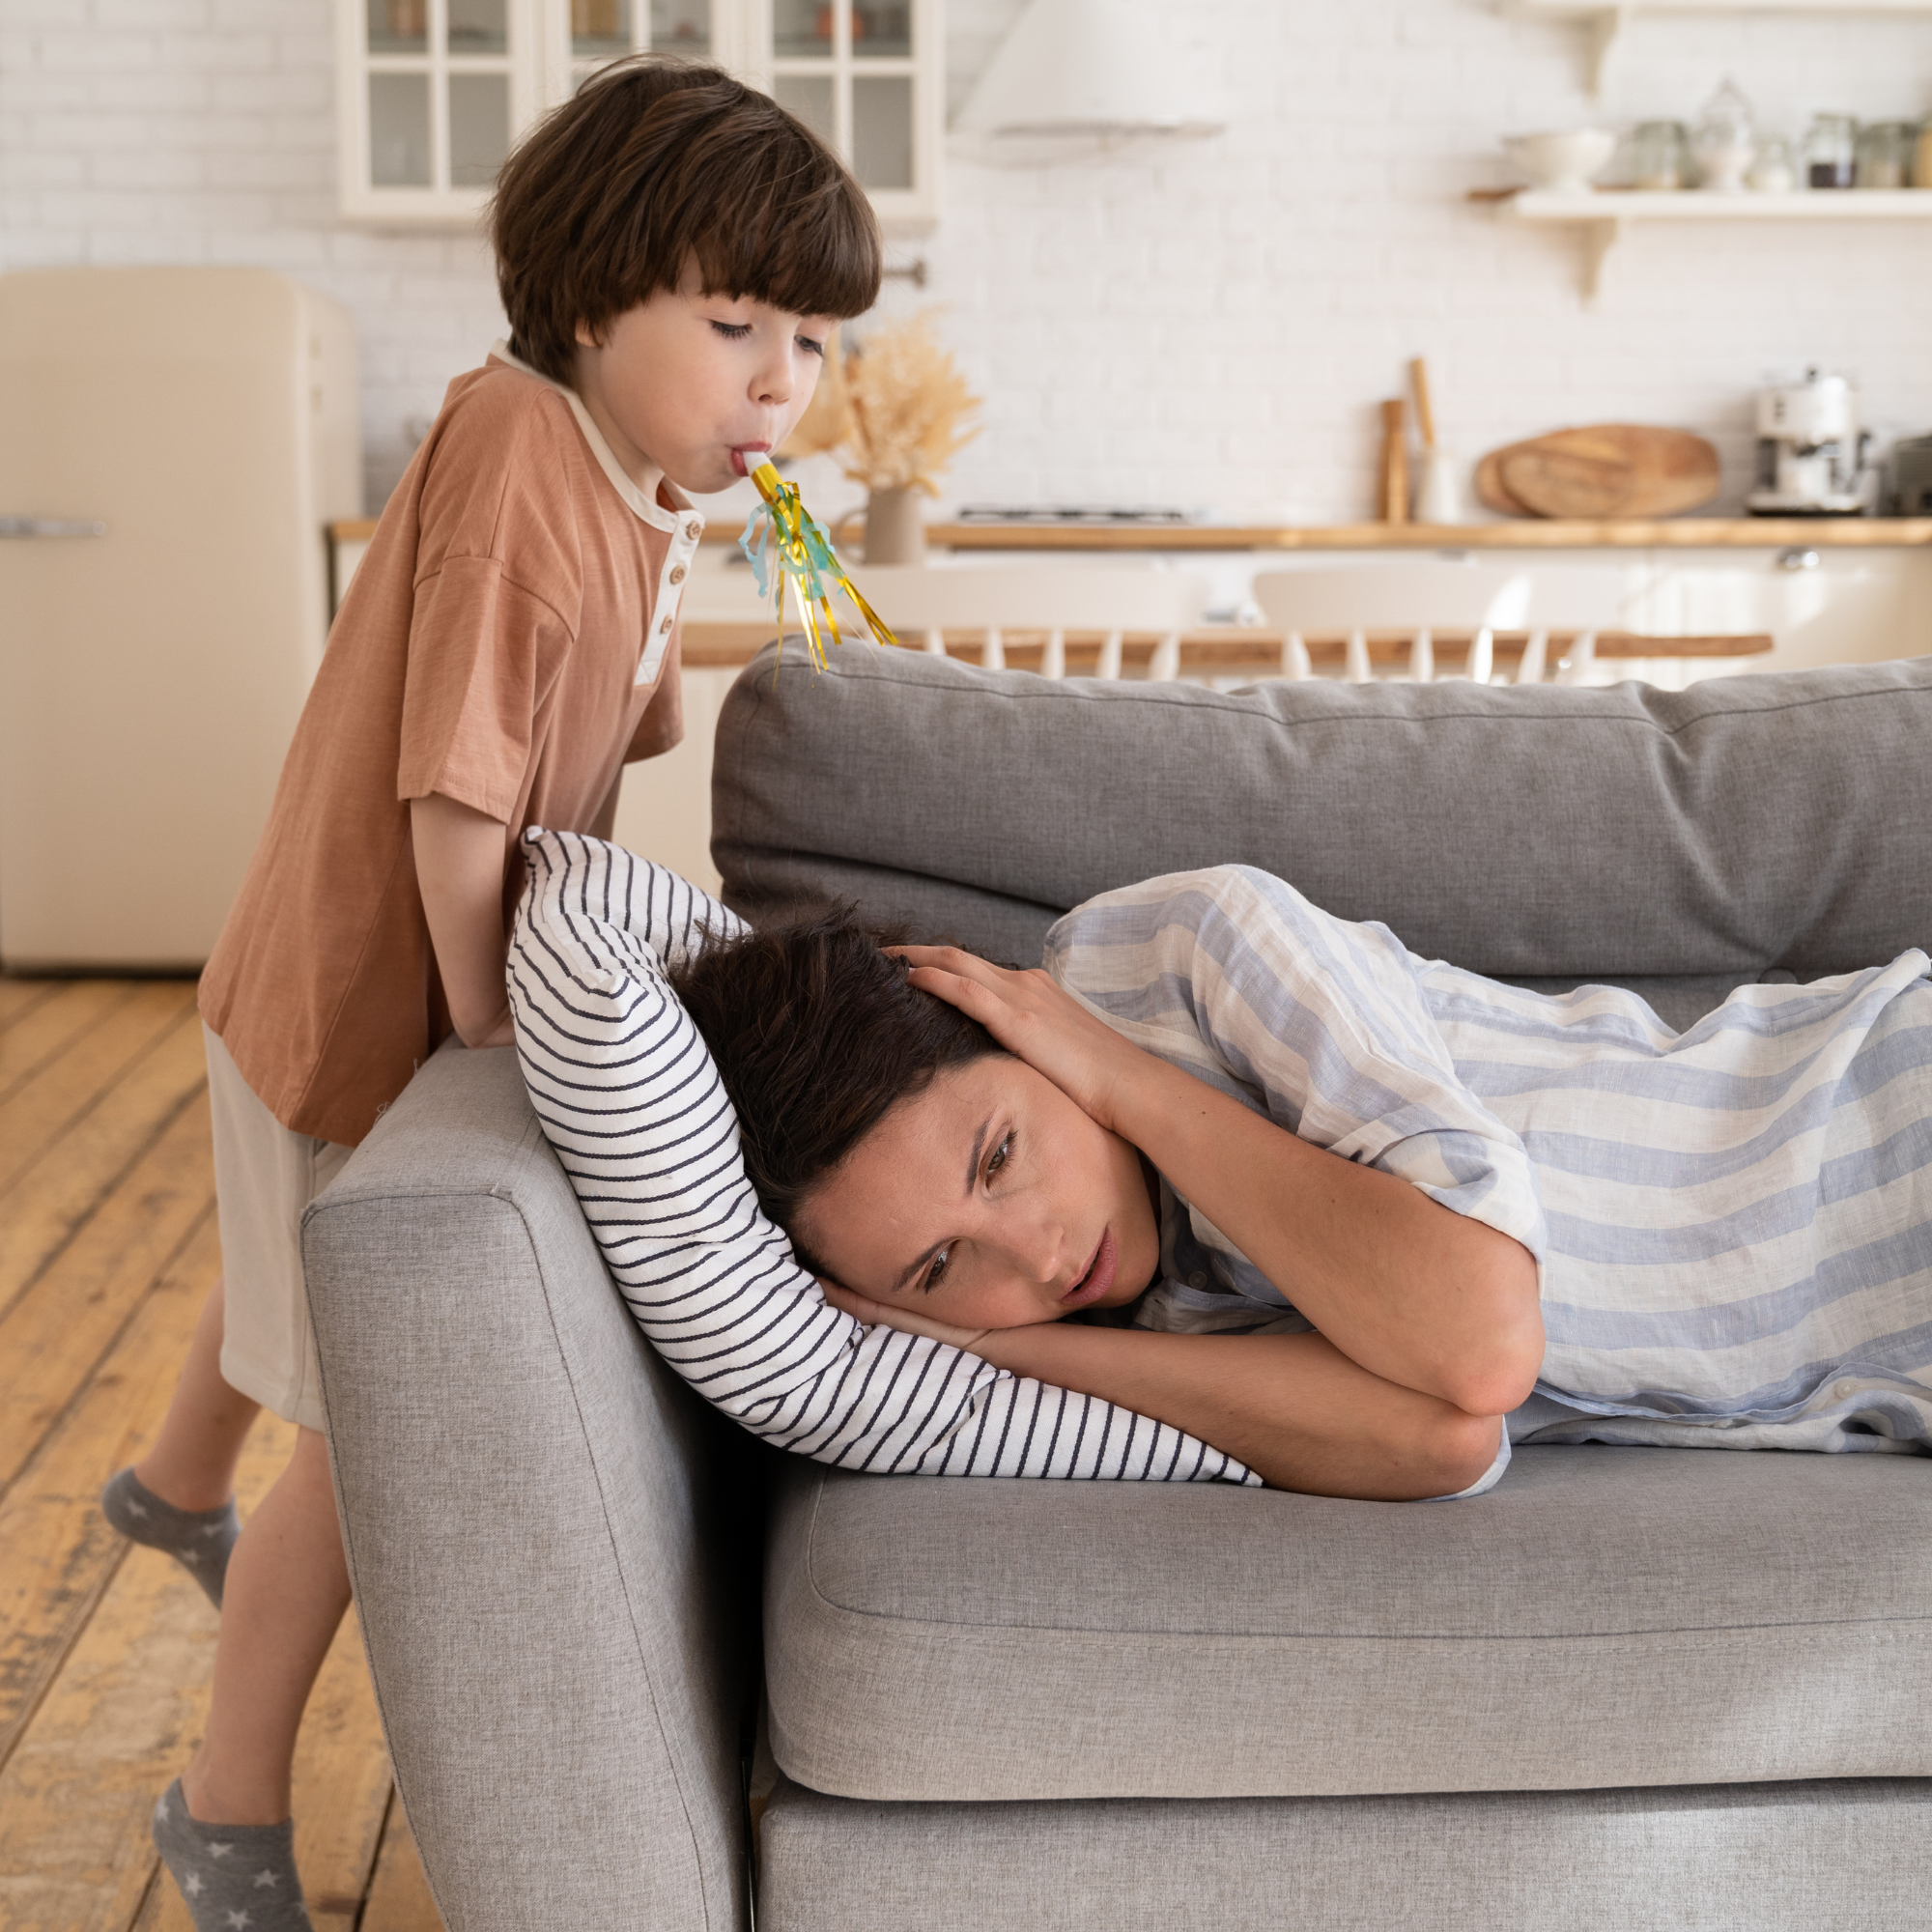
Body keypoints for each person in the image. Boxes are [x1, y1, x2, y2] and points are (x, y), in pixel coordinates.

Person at [100, 57, 879, 1932]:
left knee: (303, 1262)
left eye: (812, 339)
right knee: (368, 1425)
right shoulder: (521, 454)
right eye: (737, 326)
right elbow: (457, 797)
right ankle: (223, 1809)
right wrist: (494, 1051)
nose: (783, 380)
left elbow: (601, 707)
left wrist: (710, 535)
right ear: (596, 294)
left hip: (339, 982)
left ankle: (169, 1482)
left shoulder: (614, 459)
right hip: (359, 984)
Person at [669, 864, 1932, 1502]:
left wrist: (1121, 1079)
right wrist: (1005, 1354)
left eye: (1000, 1156)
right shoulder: (1111, 1309)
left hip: (1884, 1121)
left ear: (1021, 1034)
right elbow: (1442, 1437)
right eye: (941, 1271)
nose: (1039, 1258)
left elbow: (1480, 1341)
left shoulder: (1197, 945)